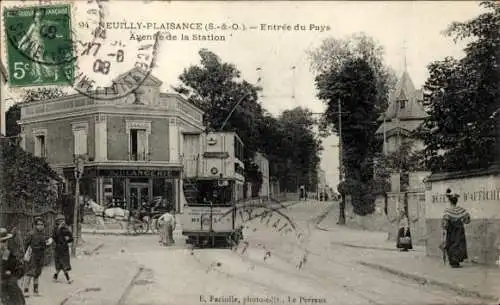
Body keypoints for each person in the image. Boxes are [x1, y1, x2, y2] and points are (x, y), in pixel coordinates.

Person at [22, 217, 52, 296]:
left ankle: (35, 291)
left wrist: (48, 243)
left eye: (42, 224)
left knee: (37, 273)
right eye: (38, 224)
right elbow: (26, 245)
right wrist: (26, 255)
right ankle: (26, 290)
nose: (40, 226)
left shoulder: (44, 235)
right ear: (35, 225)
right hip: (33, 255)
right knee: (29, 273)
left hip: (41, 255)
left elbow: (46, 245)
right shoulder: (31, 234)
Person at [441, 189, 471, 268]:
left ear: (450, 201)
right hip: (460, 229)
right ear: (456, 201)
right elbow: (467, 220)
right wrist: (462, 220)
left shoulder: (447, 211)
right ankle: (457, 261)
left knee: (451, 244)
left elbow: (445, 223)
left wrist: (444, 227)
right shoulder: (461, 210)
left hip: (451, 230)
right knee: (459, 245)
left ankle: (453, 262)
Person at [1, 228, 26, 305]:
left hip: (9, 281)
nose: (4, 244)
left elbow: (19, 268)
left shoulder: (8, 253)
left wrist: (14, 274)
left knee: (13, 288)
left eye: (5, 241)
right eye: (1, 242)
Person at [52, 214, 73, 284]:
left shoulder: (66, 228)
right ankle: (68, 279)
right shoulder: (55, 229)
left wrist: (68, 238)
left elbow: (71, 238)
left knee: (64, 264)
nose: (61, 222)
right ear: (57, 221)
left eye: (62, 220)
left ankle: (56, 276)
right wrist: (59, 228)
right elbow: (54, 237)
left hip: (64, 249)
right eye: (59, 220)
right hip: (58, 248)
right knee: (60, 264)